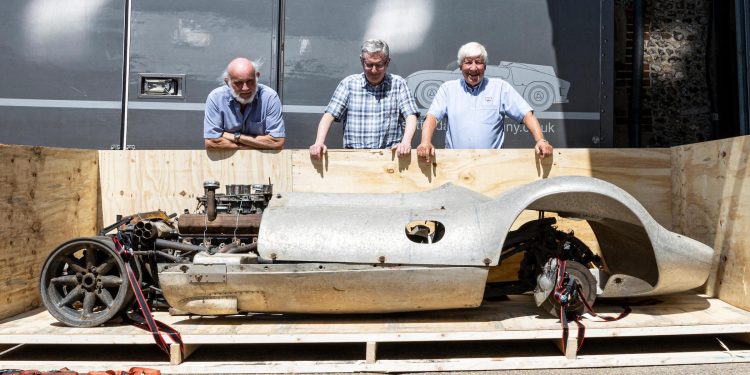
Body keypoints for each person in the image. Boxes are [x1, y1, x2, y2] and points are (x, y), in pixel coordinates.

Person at [416, 42, 553, 162]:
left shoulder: (500, 87)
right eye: (468, 62)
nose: (474, 68)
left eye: (479, 62)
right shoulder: (447, 89)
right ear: (460, 66)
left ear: (485, 66)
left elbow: (527, 115)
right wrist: (425, 142)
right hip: (455, 165)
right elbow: (432, 118)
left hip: (492, 165)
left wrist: (541, 141)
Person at [309, 39, 420, 159]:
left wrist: (406, 142)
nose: (374, 70)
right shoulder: (348, 84)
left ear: (387, 63)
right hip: (354, 157)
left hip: (390, 157)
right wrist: (319, 142)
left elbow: (411, 116)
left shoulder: (398, 84)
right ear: (362, 61)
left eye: (378, 65)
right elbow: (329, 116)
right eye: (369, 65)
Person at [204, 57, 286, 150]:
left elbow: (277, 142)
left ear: (257, 77)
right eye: (238, 83)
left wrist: (236, 137)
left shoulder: (270, 97)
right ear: (227, 82)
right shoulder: (216, 98)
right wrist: (257, 144)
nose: (245, 88)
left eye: (250, 81)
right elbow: (211, 143)